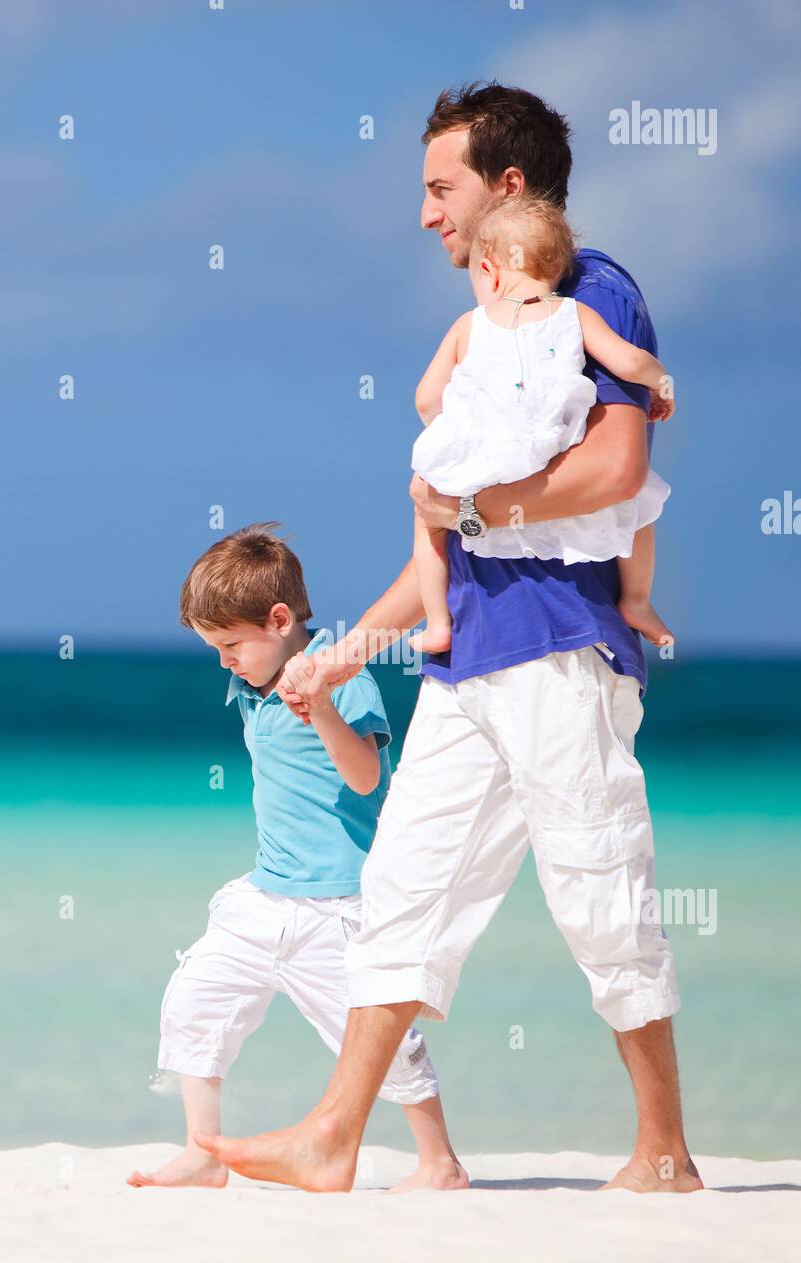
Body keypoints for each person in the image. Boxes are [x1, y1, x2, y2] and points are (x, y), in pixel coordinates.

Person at [194, 83, 703, 1196]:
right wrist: (345, 651)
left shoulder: (583, 287)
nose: (426, 215)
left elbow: (613, 472)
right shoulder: (478, 335)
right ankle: (334, 1133)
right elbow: (444, 538)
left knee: (597, 889)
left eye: (440, 188)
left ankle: (662, 1150)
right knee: (404, 897)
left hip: (558, 649)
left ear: (506, 187)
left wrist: (473, 512)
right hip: (463, 657)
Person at [127, 523, 466, 1192]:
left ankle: (439, 1162)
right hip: (265, 895)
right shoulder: (252, 690)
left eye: (230, 646)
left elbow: (366, 777)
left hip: (340, 902)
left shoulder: (349, 682)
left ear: (280, 620)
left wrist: (323, 709)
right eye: (213, 648)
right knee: (194, 1000)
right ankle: (203, 1152)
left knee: (378, 1039)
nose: (225, 661)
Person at [410, 193, 675, 655]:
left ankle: (437, 623)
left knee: (426, 515)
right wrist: (662, 385)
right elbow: (631, 362)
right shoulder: (576, 312)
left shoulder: (468, 325)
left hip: (486, 458)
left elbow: (426, 398)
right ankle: (636, 599)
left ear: (489, 272)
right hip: (551, 449)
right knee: (638, 506)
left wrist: (453, 431)